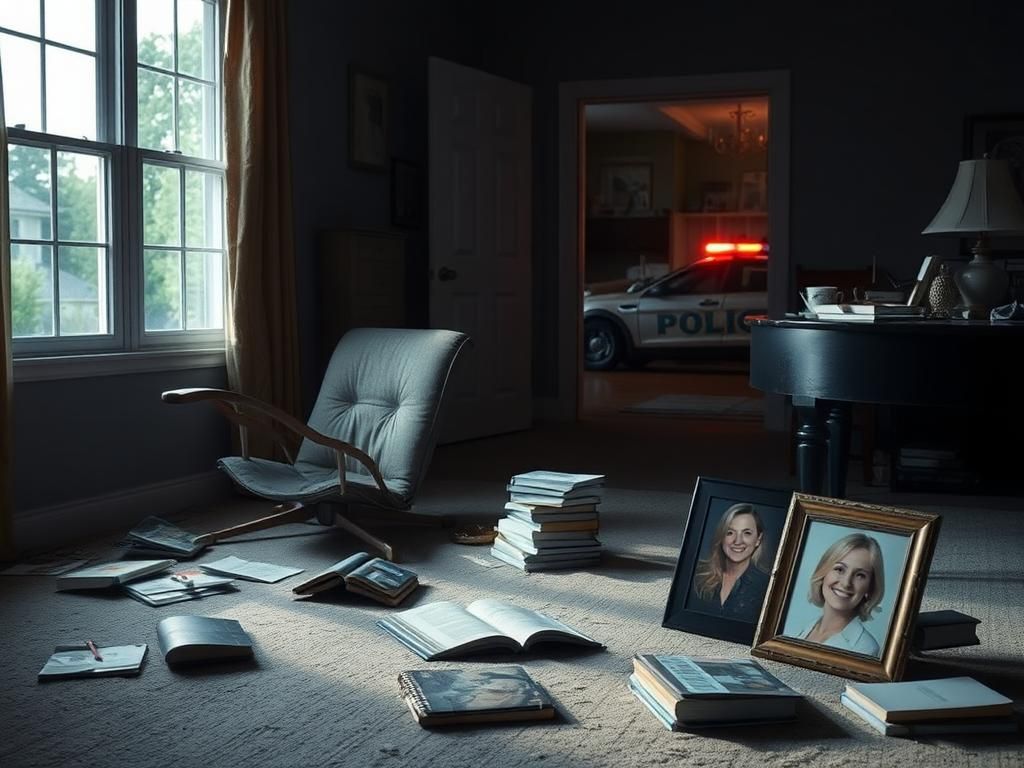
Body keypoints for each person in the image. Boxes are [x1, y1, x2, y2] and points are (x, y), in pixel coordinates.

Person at [795, 533, 885, 657]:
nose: (846, 583)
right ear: (824, 572)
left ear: (870, 588)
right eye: (840, 569)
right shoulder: (806, 629)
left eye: (860, 575)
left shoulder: (865, 649)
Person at [689, 503, 770, 621]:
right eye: (730, 532)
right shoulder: (696, 573)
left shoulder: (766, 585)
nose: (738, 541)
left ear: (758, 539)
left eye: (747, 533)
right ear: (721, 537)